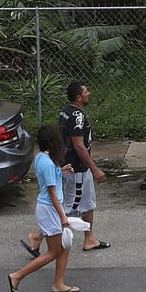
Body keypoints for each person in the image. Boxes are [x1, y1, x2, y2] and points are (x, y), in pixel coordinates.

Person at [8, 124, 79, 292]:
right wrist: (62, 216)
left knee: (65, 243)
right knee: (54, 252)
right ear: (54, 142)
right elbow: (53, 193)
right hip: (50, 210)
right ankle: (17, 276)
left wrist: (60, 171)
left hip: (48, 208)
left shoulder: (41, 157)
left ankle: (59, 283)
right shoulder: (47, 163)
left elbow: (49, 181)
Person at [59, 81, 110, 251]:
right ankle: (37, 237)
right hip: (77, 170)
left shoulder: (65, 112)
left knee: (88, 204)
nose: (89, 93)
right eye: (86, 91)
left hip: (77, 168)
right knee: (69, 208)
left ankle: (90, 238)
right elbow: (79, 146)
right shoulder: (77, 117)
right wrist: (95, 169)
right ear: (79, 97)